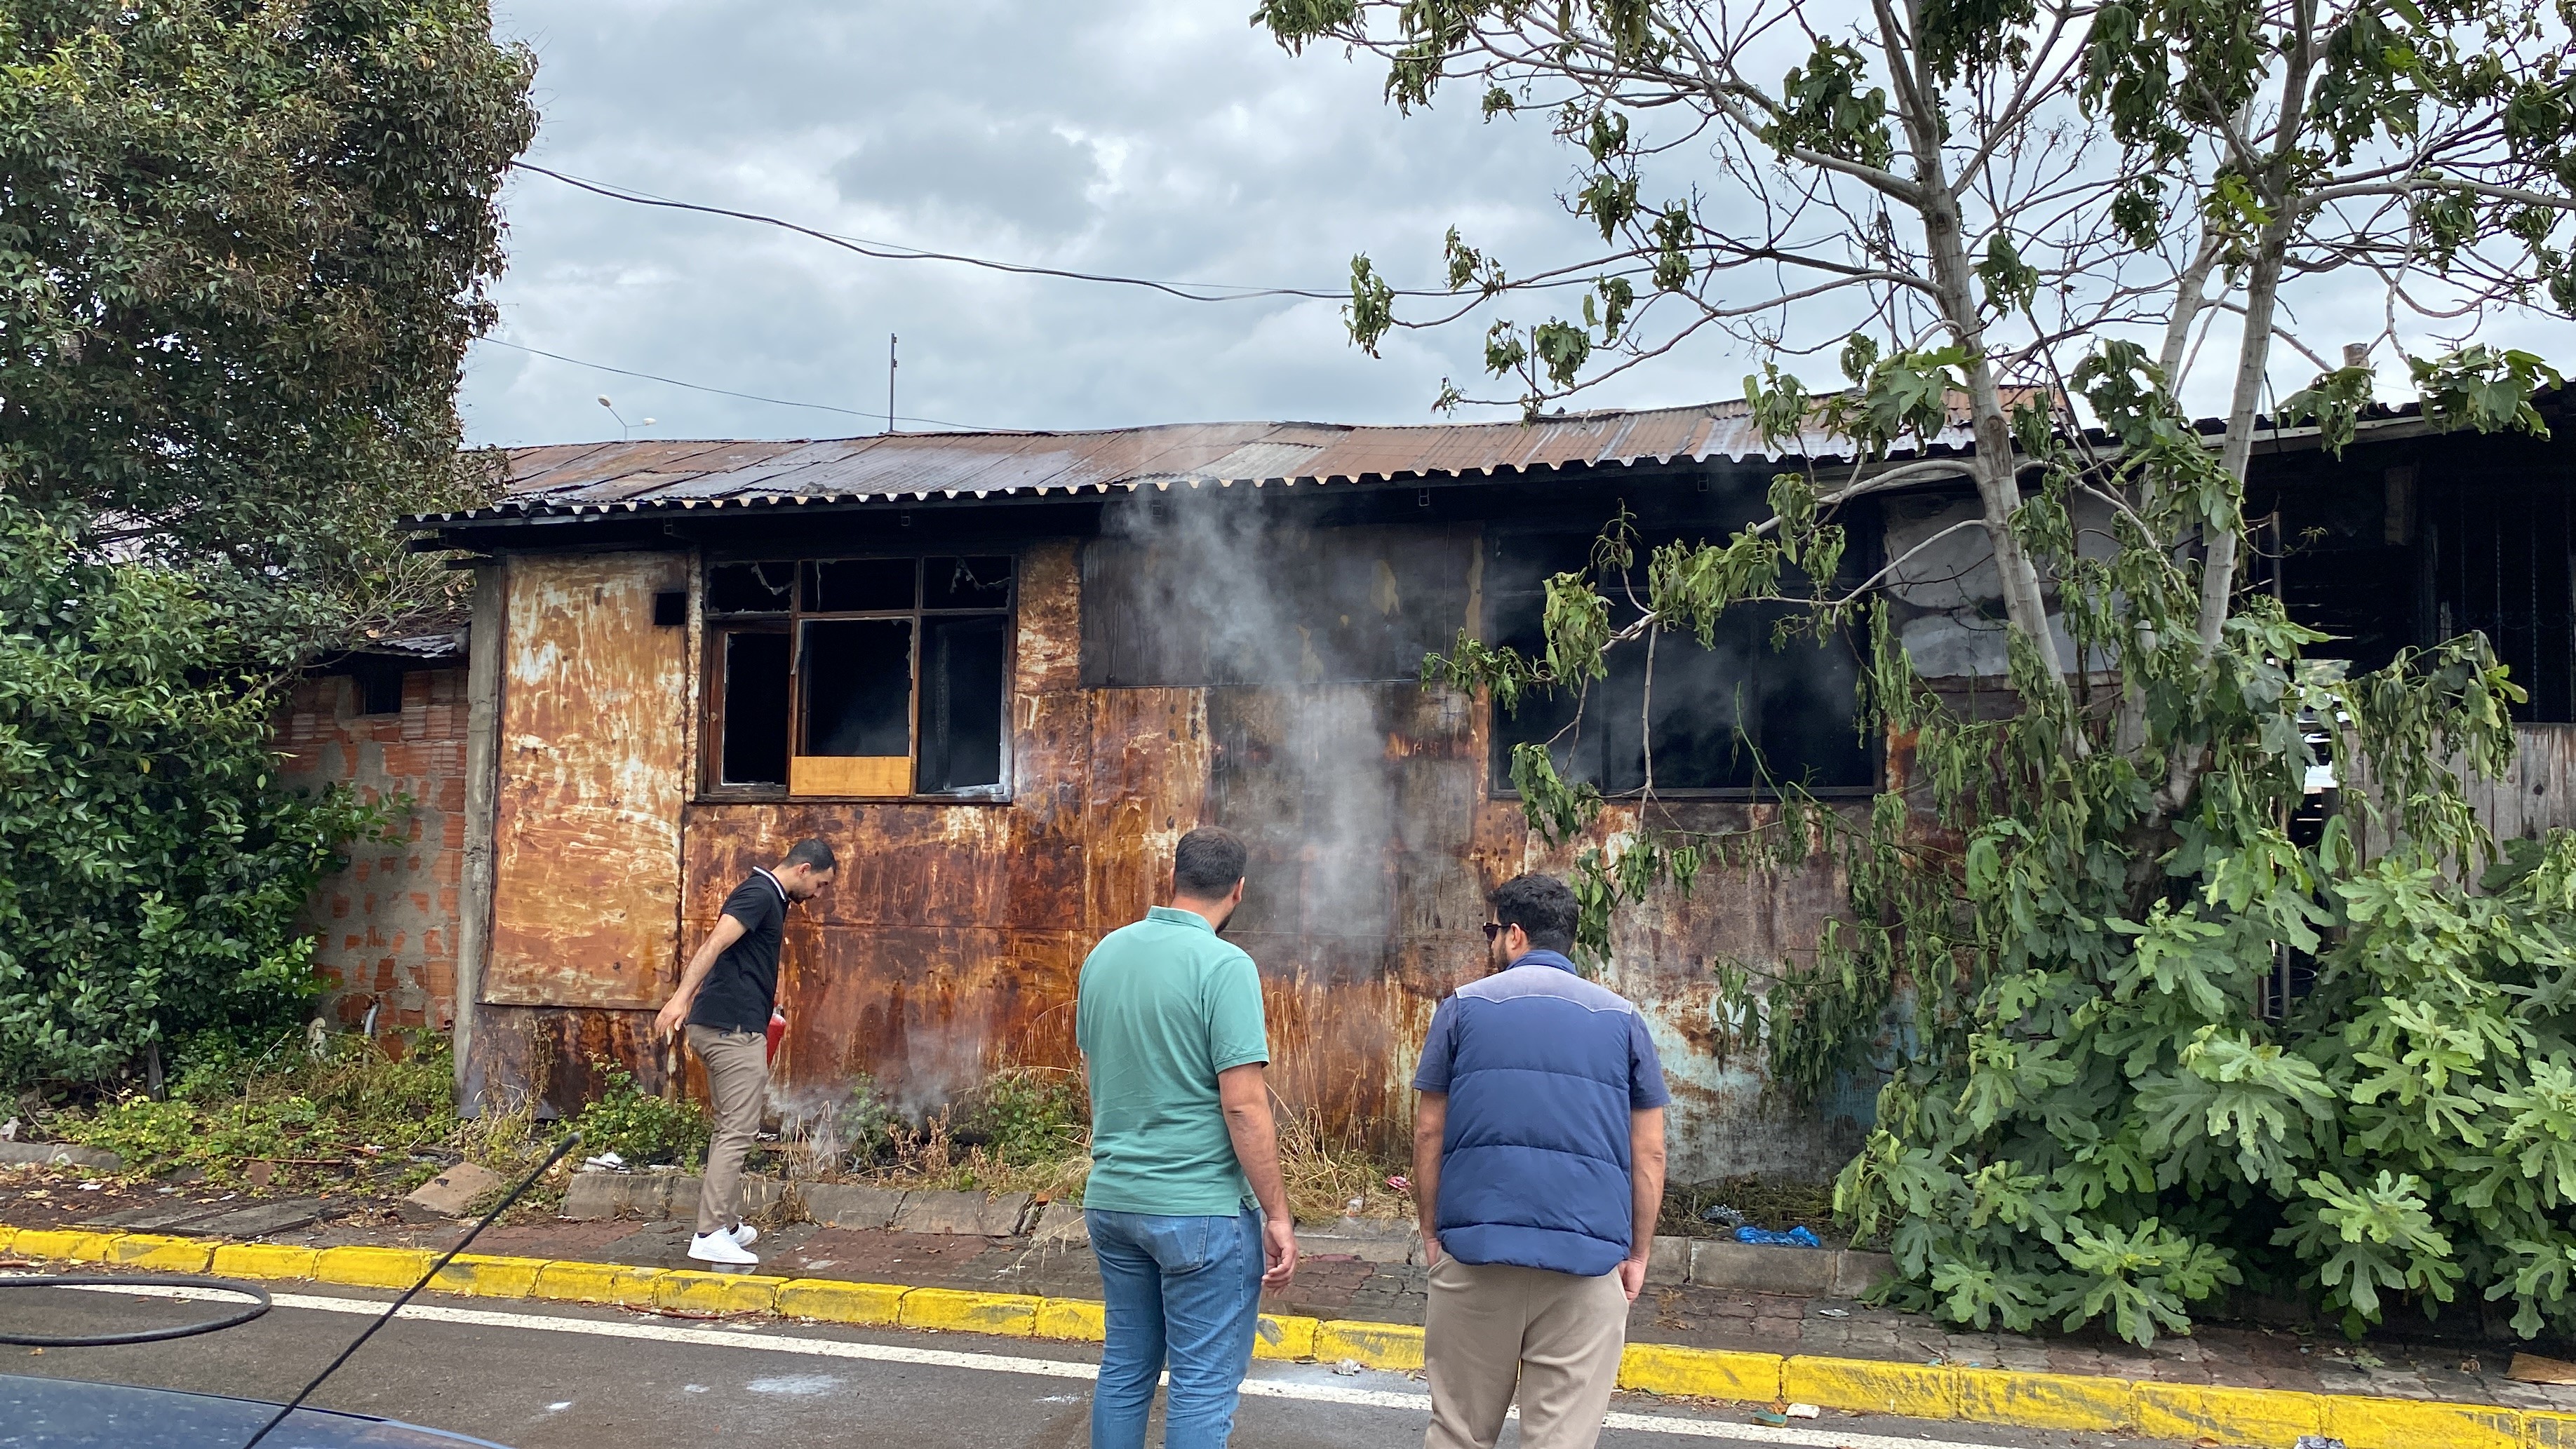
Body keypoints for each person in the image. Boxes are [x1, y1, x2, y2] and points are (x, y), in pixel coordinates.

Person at [1409, 873, 1669, 1449]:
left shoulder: (1461, 1009)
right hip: (1586, 1258)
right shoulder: (1625, 1020)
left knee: (1457, 1434)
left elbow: (1430, 1132)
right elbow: (1648, 1151)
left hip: (1476, 1255)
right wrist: (1638, 1253)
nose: (1492, 941)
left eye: (1493, 931)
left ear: (1516, 935)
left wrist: (1432, 1234)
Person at [1076, 825, 1299, 1449]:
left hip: (1113, 1198)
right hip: (1199, 1212)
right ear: (1239, 890)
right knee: (1201, 1385)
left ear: (1172, 877)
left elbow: (1095, 1075)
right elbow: (1245, 1107)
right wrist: (1278, 1215)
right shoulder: (1226, 966)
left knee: (1125, 1369)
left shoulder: (1105, 954)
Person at [652, 837, 837, 1267]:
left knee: (729, 1128)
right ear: (804, 869)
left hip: (731, 1023)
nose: (820, 895)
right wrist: (680, 998)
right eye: (822, 885)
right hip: (730, 1031)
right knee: (738, 1130)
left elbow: (743, 960)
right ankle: (709, 1234)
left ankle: (727, 1224)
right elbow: (714, 944)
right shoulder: (759, 895)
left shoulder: (771, 898)